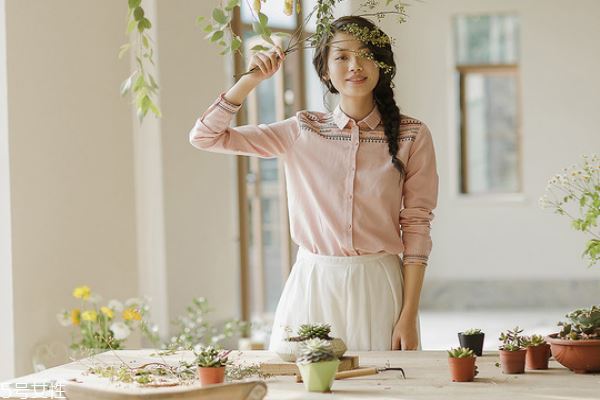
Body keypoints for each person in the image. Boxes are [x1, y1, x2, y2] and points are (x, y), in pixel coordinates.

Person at [189, 15, 438, 351]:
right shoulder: (301, 130)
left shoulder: (412, 135)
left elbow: (417, 226)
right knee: (308, 385)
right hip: (314, 283)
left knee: (385, 383)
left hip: (379, 285)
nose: (355, 65)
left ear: (383, 64)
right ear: (325, 71)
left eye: (366, 53)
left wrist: (408, 314)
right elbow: (205, 136)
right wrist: (250, 79)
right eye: (342, 56)